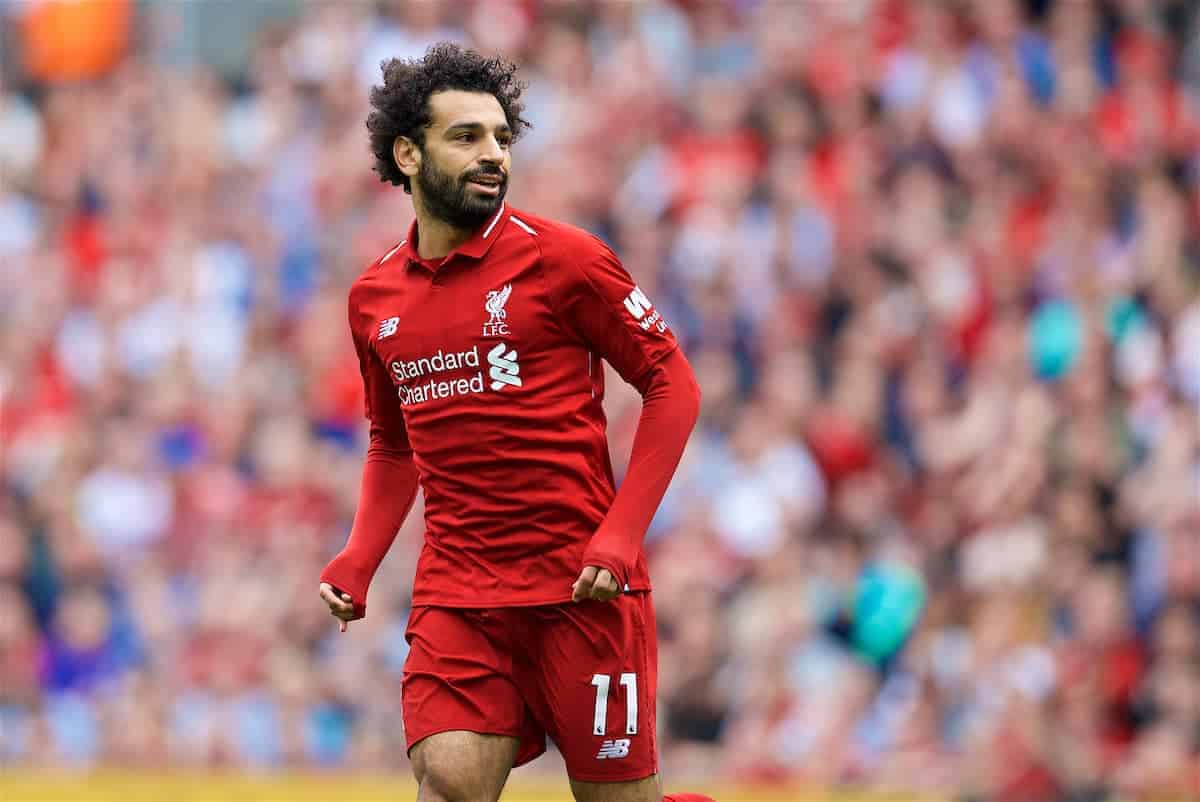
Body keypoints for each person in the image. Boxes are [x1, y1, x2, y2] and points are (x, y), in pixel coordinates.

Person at [317, 43, 714, 802]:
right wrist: (360, 557)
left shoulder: (565, 260)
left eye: (502, 136)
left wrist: (622, 536)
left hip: (584, 592)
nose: (492, 153)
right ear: (407, 153)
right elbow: (394, 442)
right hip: (459, 594)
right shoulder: (373, 299)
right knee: (452, 779)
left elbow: (673, 383)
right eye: (465, 136)